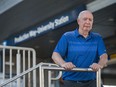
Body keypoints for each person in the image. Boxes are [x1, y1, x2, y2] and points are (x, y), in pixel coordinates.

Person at [52, 10, 108, 87]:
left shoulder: (97, 37)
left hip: (92, 82)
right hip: (72, 82)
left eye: (90, 20)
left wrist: (99, 65)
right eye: (85, 19)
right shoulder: (67, 36)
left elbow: (104, 56)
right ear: (78, 21)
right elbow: (55, 55)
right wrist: (63, 63)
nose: (88, 22)